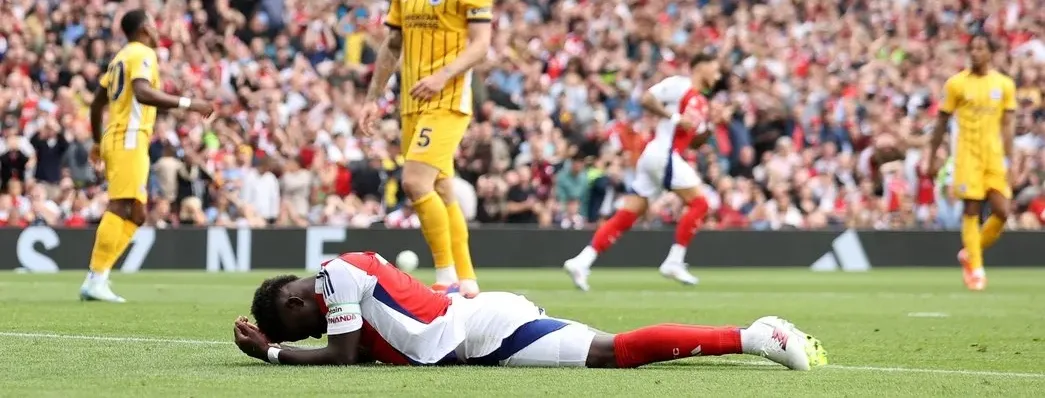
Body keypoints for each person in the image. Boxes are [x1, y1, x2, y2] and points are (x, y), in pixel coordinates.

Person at [235, 251, 828, 370]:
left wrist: (275, 353)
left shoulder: (335, 275)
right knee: (610, 350)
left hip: (482, 327)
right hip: (474, 325)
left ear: (296, 299)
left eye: (297, 322)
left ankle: (755, 336)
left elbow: (339, 355)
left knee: (612, 352)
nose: (309, 328)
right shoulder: (346, 288)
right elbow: (357, 349)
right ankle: (751, 335)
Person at [356, 0, 493, 298]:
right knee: (442, 189)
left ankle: (446, 279)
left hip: (448, 100)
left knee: (415, 182)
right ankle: (467, 278)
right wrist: (372, 98)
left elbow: (481, 44)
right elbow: (392, 43)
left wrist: (443, 75)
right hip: (411, 104)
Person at [81, 9, 213, 303]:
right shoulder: (142, 53)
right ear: (143, 29)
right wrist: (190, 103)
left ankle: (98, 276)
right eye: (153, 26)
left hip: (124, 138)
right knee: (119, 206)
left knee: (138, 214)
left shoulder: (119, 57)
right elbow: (142, 92)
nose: (156, 31)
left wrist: (95, 141)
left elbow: (96, 104)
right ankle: (96, 277)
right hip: (128, 137)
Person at [561, 54, 720, 291]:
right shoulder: (680, 85)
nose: (717, 76)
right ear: (701, 67)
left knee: (628, 214)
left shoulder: (702, 103)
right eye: (715, 69)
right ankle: (674, 261)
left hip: (661, 158)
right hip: (662, 154)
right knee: (701, 204)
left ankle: (582, 261)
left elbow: (695, 143)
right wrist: (674, 118)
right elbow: (646, 98)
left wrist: (713, 125)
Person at [928, 34, 1016, 291]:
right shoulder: (956, 84)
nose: (975, 53)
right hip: (967, 155)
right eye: (972, 48)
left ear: (991, 52)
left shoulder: (1004, 84)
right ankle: (976, 270)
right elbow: (941, 123)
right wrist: (932, 156)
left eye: (981, 48)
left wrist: (1011, 159)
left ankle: (970, 252)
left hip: (994, 156)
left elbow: (1008, 127)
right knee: (971, 210)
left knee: (1002, 211)